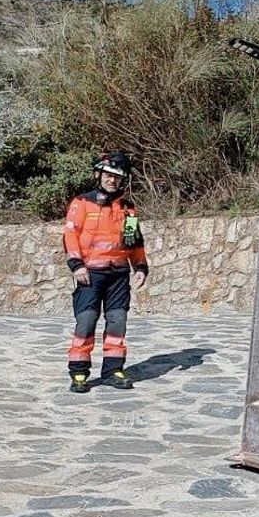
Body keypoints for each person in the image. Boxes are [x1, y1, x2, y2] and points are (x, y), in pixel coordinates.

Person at [62, 152, 150, 393]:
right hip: (90, 273)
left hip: (119, 275)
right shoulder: (81, 203)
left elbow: (134, 241)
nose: (112, 180)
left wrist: (140, 267)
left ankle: (113, 370)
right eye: (108, 175)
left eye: (117, 177)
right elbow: (70, 235)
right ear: (99, 175)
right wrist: (76, 265)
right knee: (87, 320)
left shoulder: (129, 209)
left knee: (117, 321)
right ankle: (79, 372)